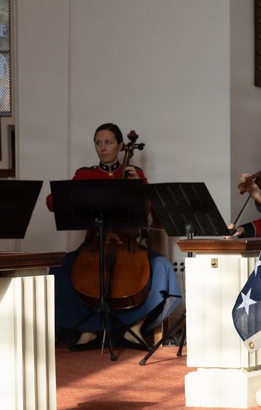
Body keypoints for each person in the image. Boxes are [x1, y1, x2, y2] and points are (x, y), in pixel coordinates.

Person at [46, 123, 181, 350]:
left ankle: (135, 328)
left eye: (108, 143)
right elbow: (52, 203)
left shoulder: (134, 173)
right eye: (98, 143)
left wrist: (139, 185)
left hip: (129, 245)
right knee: (62, 267)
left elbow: (153, 210)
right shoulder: (85, 174)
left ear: (120, 146)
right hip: (94, 244)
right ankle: (87, 329)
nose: (102, 148)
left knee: (161, 266)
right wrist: (77, 192)